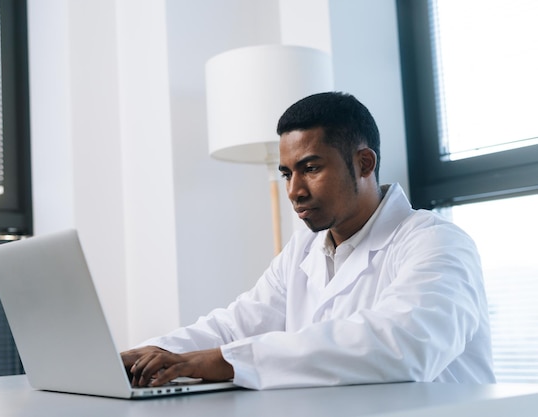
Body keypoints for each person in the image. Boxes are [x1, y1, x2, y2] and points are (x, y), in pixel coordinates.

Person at [121, 91, 496, 390]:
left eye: (311, 168)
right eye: (286, 174)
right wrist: (144, 355)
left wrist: (223, 361)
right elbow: (235, 326)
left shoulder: (437, 242)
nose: (294, 191)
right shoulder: (303, 250)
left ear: (364, 163)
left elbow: (405, 346)